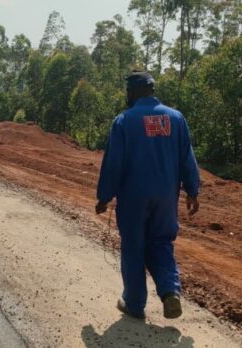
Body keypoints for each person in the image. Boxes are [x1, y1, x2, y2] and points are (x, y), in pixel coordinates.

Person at [95, 71, 201, 320]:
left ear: (132, 92)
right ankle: (170, 291)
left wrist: (104, 197)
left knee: (133, 246)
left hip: (134, 197)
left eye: (127, 91)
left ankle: (134, 303)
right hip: (166, 197)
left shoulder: (124, 121)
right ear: (152, 90)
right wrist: (193, 190)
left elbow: (114, 164)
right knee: (162, 242)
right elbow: (187, 158)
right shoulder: (176, 118)